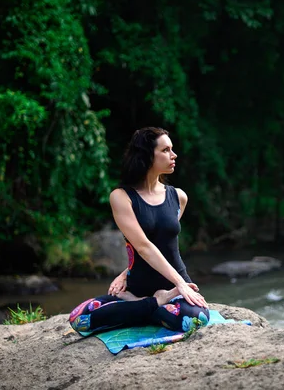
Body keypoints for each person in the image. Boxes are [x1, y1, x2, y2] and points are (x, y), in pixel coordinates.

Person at [69, 127, 209, 335]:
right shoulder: (121, 197)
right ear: (146, 155)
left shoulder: (179, 196)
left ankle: (138, 307)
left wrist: (179, 286)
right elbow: (142, 245)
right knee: (79, 319)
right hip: (138, 288)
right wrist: (132, 276)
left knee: (196, 319)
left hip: (173, 287)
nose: (174, 155)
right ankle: (154, 303)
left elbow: (160, 242)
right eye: (165, 150)